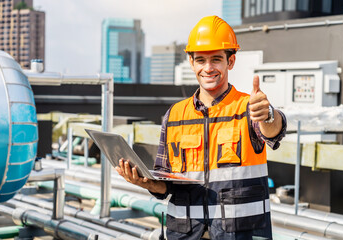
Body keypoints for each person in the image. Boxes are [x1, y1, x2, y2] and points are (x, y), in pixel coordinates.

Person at [116, 15, 286, 240]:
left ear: (231, 61)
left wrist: (269, 115)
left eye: (216, 59)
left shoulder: (248, 107)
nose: (208, 68)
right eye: (200, 60)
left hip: (240, 234)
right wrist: (145, 182)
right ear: (191, 62)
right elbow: (166, 186)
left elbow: (274, 132)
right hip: (185, 234)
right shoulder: (174, 115)